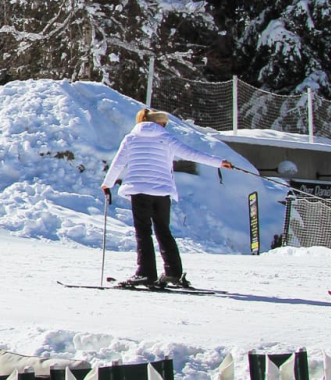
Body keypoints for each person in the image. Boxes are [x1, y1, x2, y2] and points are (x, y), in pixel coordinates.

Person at [101, 109, 235, 289]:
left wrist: (107, 184)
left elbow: (118, 163)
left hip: (139, 190)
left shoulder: (131, 138)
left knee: (143, 232)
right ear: (161, 123)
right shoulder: (166, 138)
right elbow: (191, 154)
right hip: (162, 191)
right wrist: (219, 162)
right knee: (163, 231)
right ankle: (173, 274)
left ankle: (145, 274)